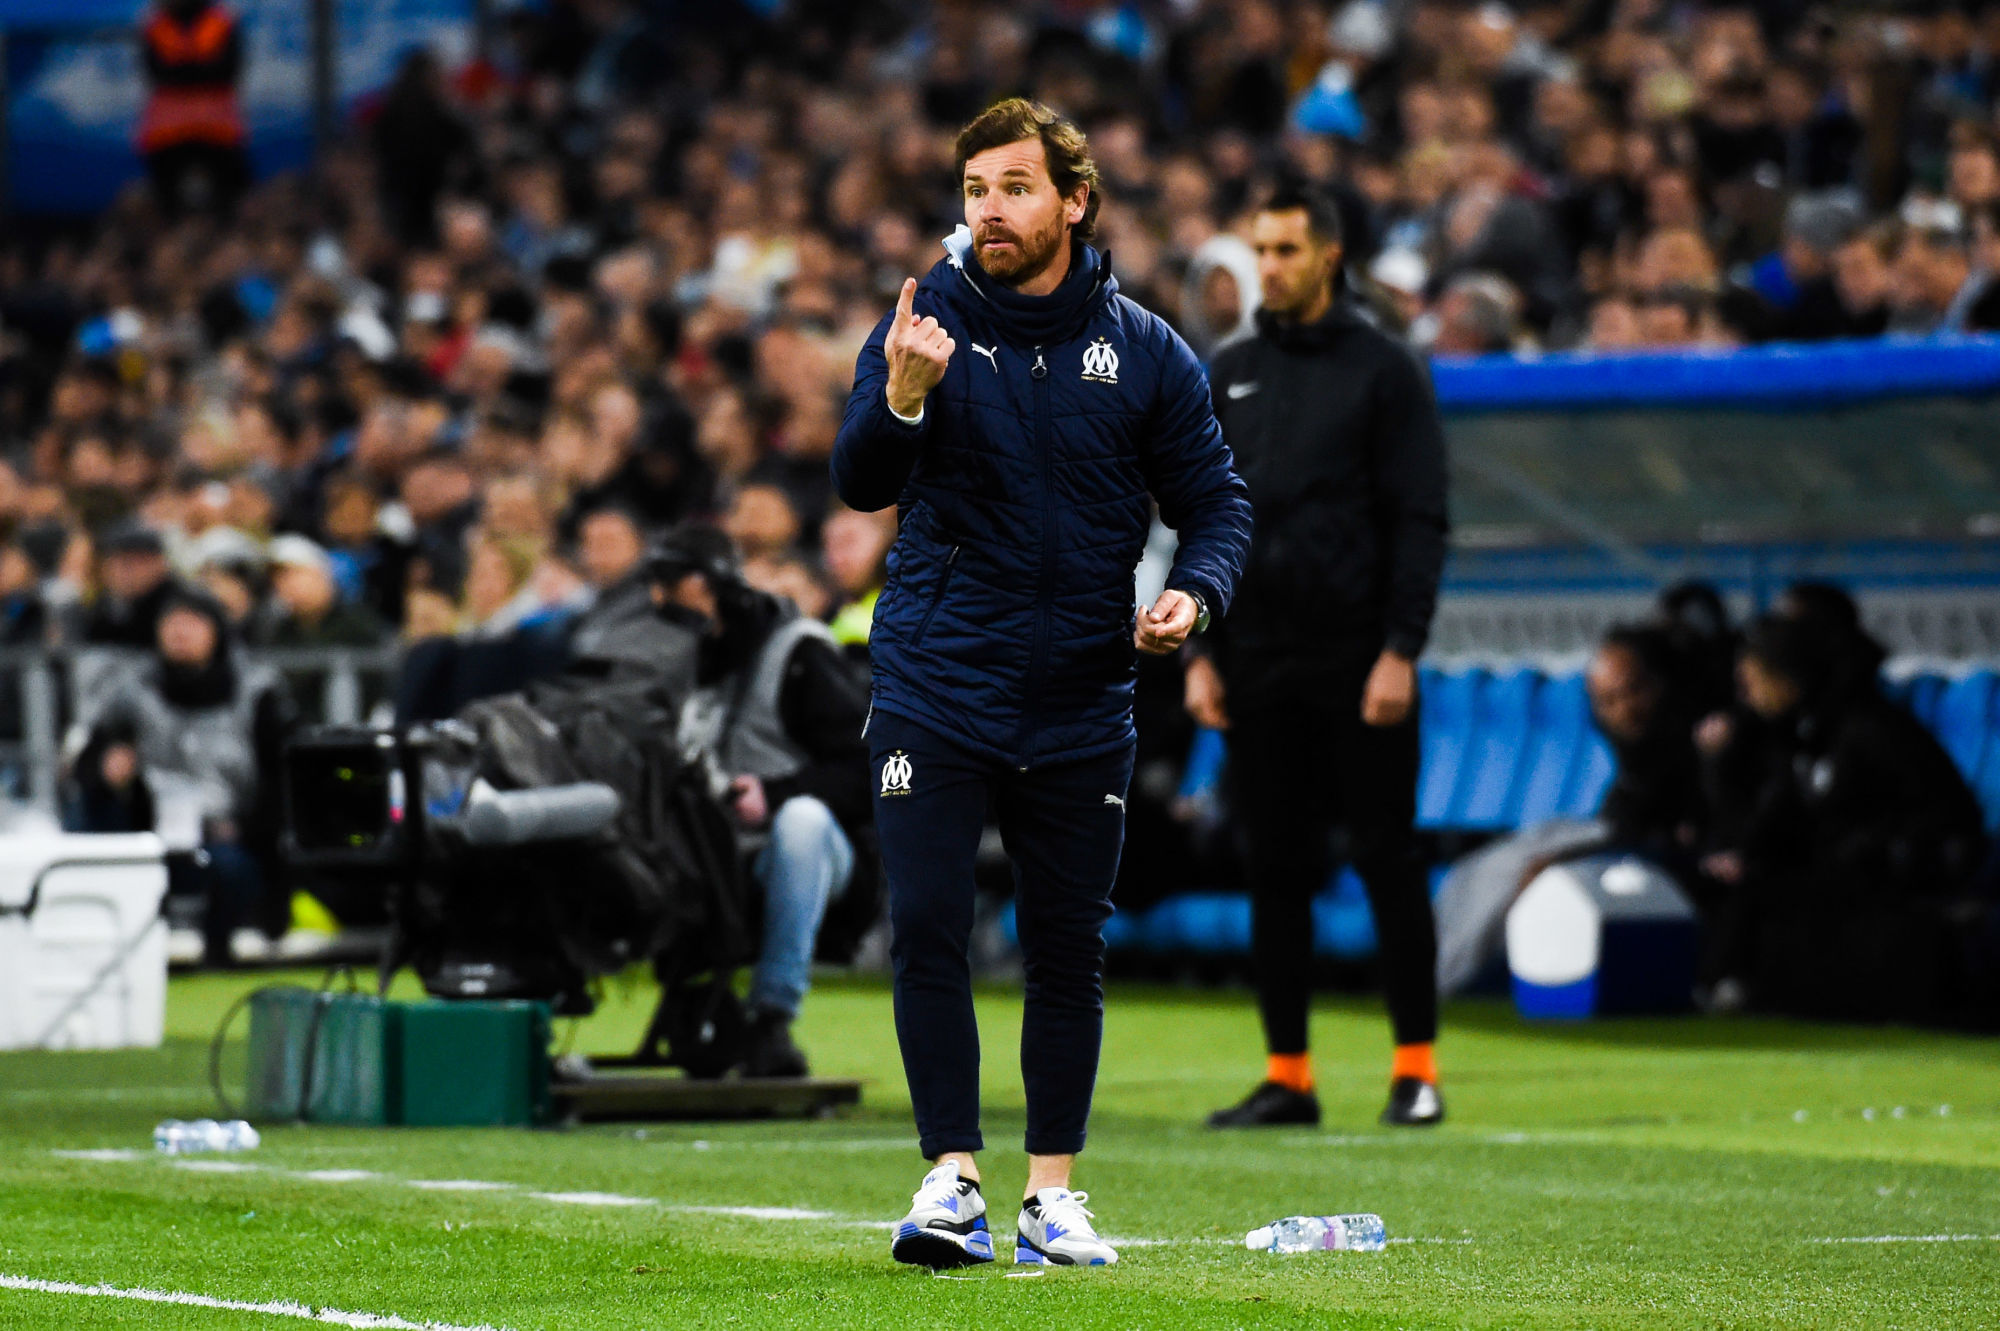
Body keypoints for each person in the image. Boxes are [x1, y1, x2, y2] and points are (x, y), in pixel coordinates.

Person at [832, 98, 1250, 1269]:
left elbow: (1215, 502)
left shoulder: (1147, 350)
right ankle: (951, 1178)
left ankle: (1049, 1195)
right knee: (927, 924)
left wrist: (1195, 595)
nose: (990, 210)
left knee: (1067, 945)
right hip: (934, 681)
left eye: (1014, 188)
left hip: (1079, 693)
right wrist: (902, 396)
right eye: (975, 190)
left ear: (1073, 201)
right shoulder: (918, 325)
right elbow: (858, 478)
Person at [1191, 183, 1449, 1131]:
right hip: (1258, 657)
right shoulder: (1231, 370)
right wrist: (1201, 652)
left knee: (1386, 857)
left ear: (1329, 256)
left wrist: (1401, 649)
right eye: (1261, 249)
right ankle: (1288, 1075)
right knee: (1275, 867)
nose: (1270, 267)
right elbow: (1201, 515)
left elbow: (1419, 518)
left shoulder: (1386, 369)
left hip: (1358, 656)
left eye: (1287, 250)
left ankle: (1415, 1069)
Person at [652, 525, 872, 1078]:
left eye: (669, 585)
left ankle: (772, 1015)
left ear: (703, 587)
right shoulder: (679, 660)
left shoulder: (799, 653)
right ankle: (690, 988)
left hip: (805, 853)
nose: (657, 599)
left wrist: (775, 794)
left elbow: (867, 768)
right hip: (711, 850)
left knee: (802, 820)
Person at [67, 589, 294, 965]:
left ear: (216, 631)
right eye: (171, 622)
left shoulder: (255, 690)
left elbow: (279, 776)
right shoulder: (132, 690)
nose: (179, 632)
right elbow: (88, 761)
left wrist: (245, 828)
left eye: (192, 622)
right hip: (149, 829)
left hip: (230, 832)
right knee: (94, 819)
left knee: (233, 869)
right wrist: (108, 769)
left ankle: (219, 953)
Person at [136, 0, 249, 216]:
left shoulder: (222, 21)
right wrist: (200, 69)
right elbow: (156, 73)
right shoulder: (155, 25)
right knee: (167, 203)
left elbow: (228, 69)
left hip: (217, 130)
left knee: (230, 199)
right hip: (168, 134)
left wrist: (182, 70)